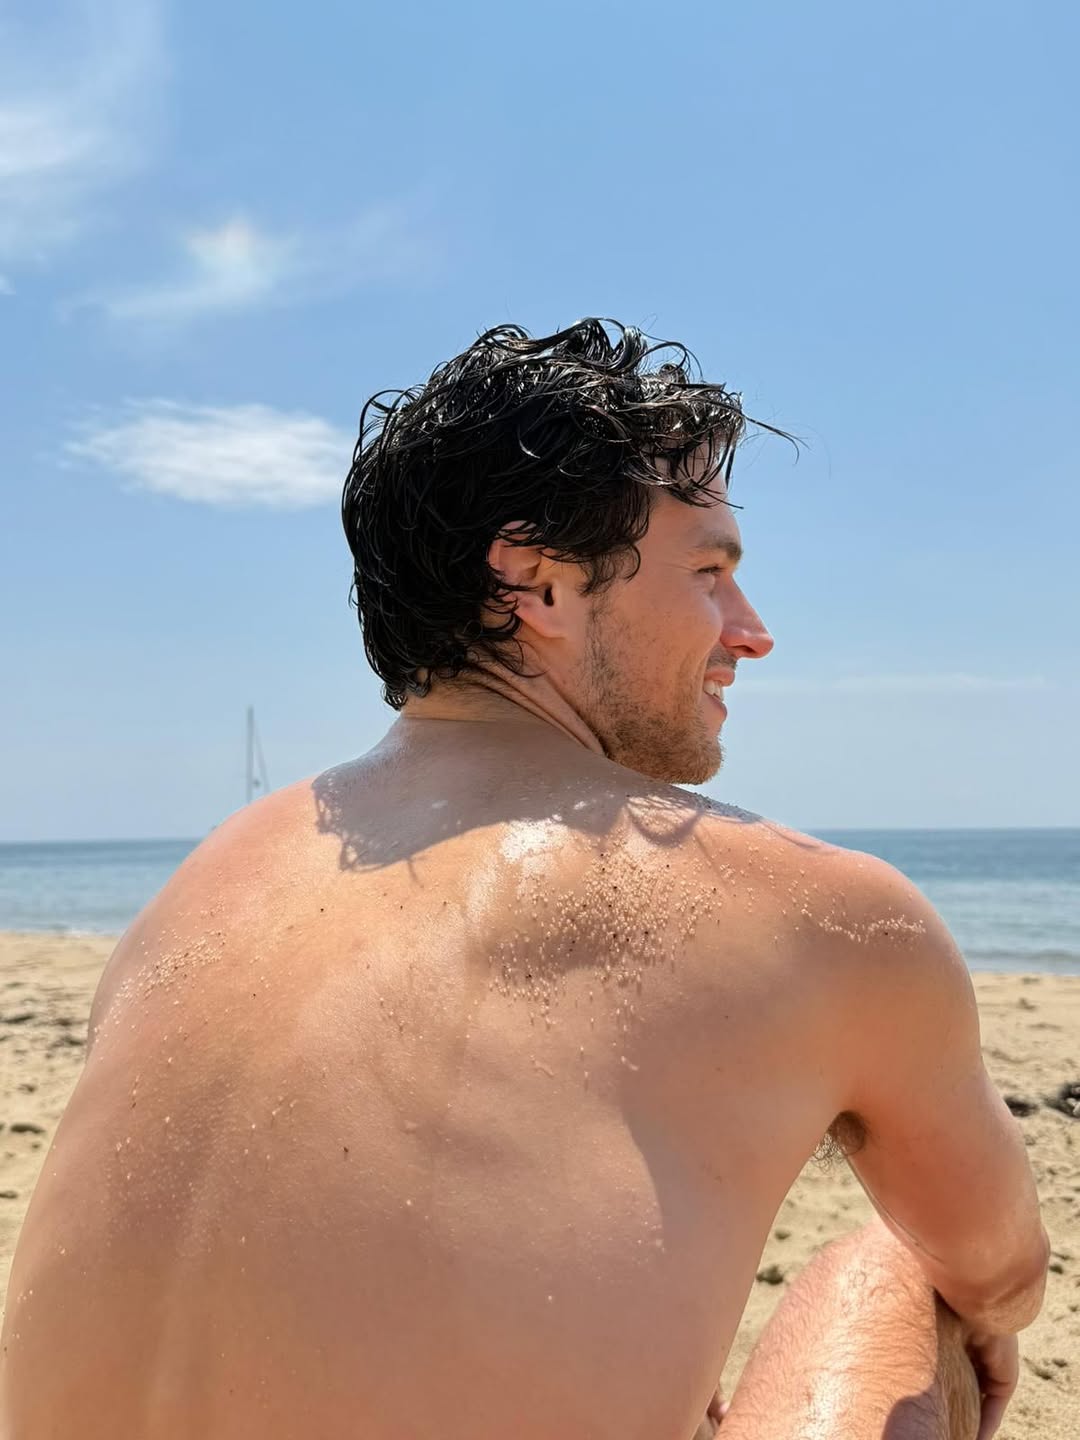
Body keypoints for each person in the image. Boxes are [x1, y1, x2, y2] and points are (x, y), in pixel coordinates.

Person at [1, 321, 1048, 1440]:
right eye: (711, 573)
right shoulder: (825, 917)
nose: (753, 635)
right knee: (891, 1266)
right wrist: (968, 1310)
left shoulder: (212, 878)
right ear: (536, 583)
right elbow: (1002, 1272)